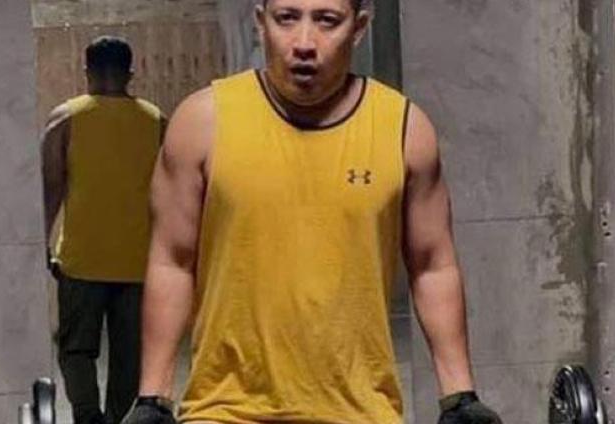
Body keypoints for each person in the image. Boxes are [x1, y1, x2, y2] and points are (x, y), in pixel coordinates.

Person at [123, 0, 502, 423]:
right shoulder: (202, 122)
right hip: (224, 410)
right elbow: (172, 261)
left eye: (327, 21)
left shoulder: (404, 129)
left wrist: (459, 396)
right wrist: (152, 398)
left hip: (361, 412)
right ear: (261, 22)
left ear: (358, 28)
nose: (304, 42)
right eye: (287, 18)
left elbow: (433, 266)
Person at [41, 36, 164, 424]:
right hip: (138, 262)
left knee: (76, 349)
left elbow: (51, 189)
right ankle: (117, 420)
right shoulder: (157, 122)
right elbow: (171, 198)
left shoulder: (65, 119)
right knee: (129, 356)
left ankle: (87, 417)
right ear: (131, 73)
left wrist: (41, 244)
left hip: (81, 260)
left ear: (87, 71)